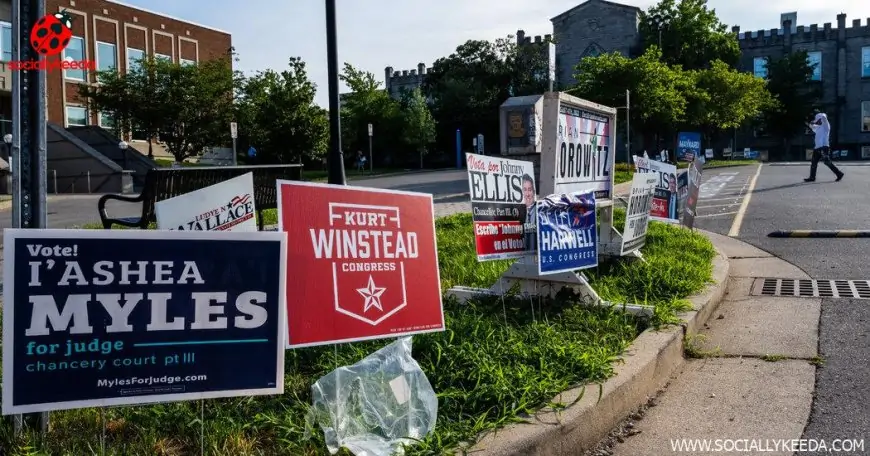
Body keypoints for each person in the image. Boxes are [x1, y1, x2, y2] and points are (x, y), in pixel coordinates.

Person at [805, 113, 844, 182]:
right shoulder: (818, 127)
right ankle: (812, 177)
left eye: (819, 120)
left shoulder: (826, 126)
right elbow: (812, 127)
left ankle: (839, 174)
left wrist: (816, 120)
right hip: (817, 148)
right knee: (814, 163)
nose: (818, 121)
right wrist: (809, 123)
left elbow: (823, 117)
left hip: (824, 147)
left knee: (827, 162)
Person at [521, 174, 537, 251]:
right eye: (525, 190)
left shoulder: (538, 210)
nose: (527, 194)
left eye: (529, 190)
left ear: (533, 191)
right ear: (522, 192)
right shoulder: (522, 212)